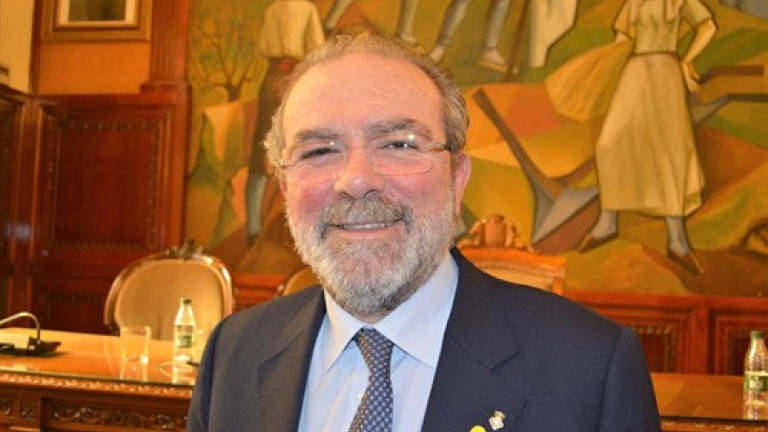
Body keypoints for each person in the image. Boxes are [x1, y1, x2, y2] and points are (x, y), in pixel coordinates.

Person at [188, 34, 660, 432]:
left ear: (456, 179)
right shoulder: (234, 354)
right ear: (285, 187)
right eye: (318, 151)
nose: (356, 180)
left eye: (398, 144)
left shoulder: (590, 369)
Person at [577, 0, 717, 276]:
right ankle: (607, 223)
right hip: (635, 74)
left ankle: (677, 240)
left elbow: (707, 25)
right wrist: (600, 69)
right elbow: (622, 40)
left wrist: (687, 60)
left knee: (669, 151)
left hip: (665, 73)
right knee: (610, 143)